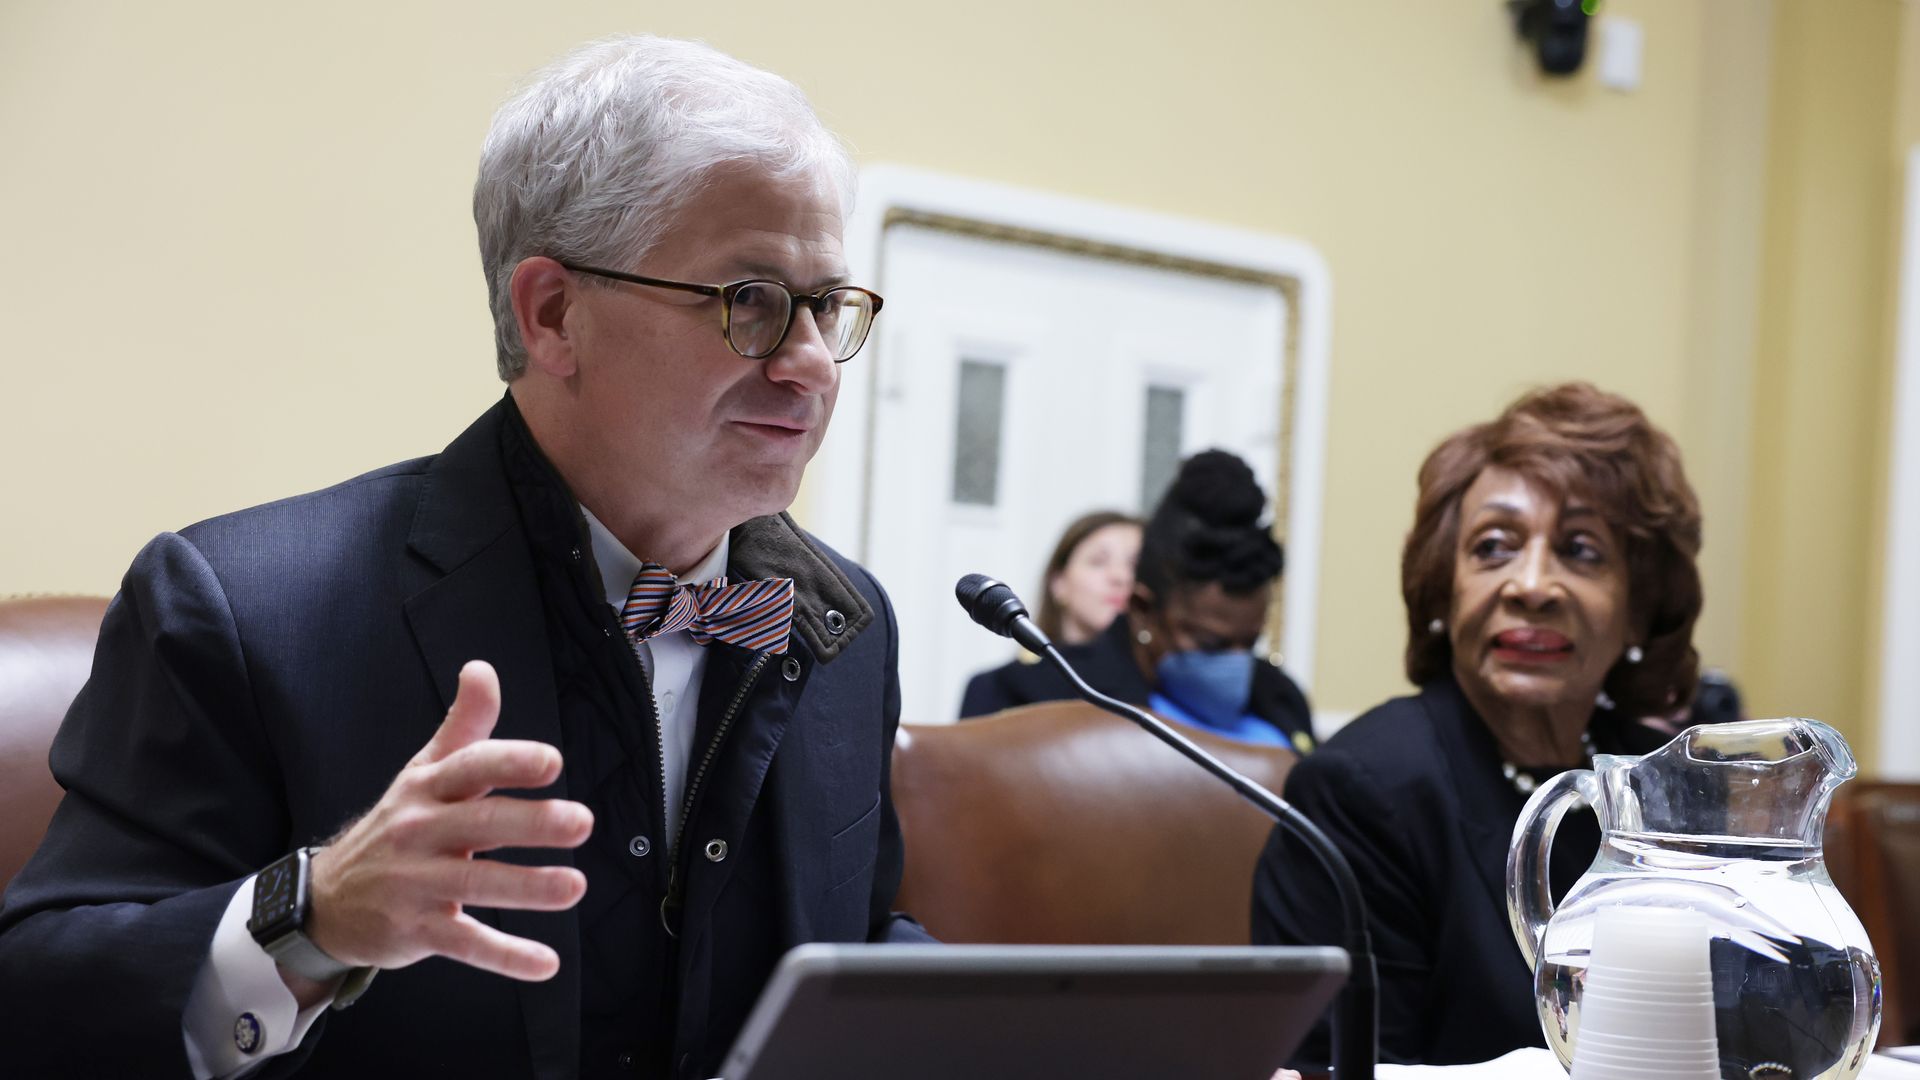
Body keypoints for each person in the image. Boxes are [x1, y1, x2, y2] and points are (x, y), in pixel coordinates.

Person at [0, 36, 929, 1080]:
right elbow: (36, 1005)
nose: (809, 364)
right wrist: (313, 915)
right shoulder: (243, 605)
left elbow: (847, 939)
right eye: (750, 301)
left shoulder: (844, 623)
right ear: (553, 314)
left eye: (827, 305)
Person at [1251, 382, 1706, 1067]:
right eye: (1494, 546)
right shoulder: (1361, 793)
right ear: (1443, 589)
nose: (1532, 585)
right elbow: (1342, 1069)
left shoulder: (1672, 788)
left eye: (1581, 551)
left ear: (1638, 610)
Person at [959, 451, 1313, 752]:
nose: (1234, 663)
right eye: (1210, 643)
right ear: (1143, 611)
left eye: (1249, 642)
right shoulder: (1033, 694)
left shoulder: (1282, 697)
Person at [1035, 510, 1143, 646]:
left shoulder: (1168, 666)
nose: (1121, 576)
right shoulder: (1020, 668)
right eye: (1099, 561)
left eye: (1135, 565)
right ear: (1058, 582)